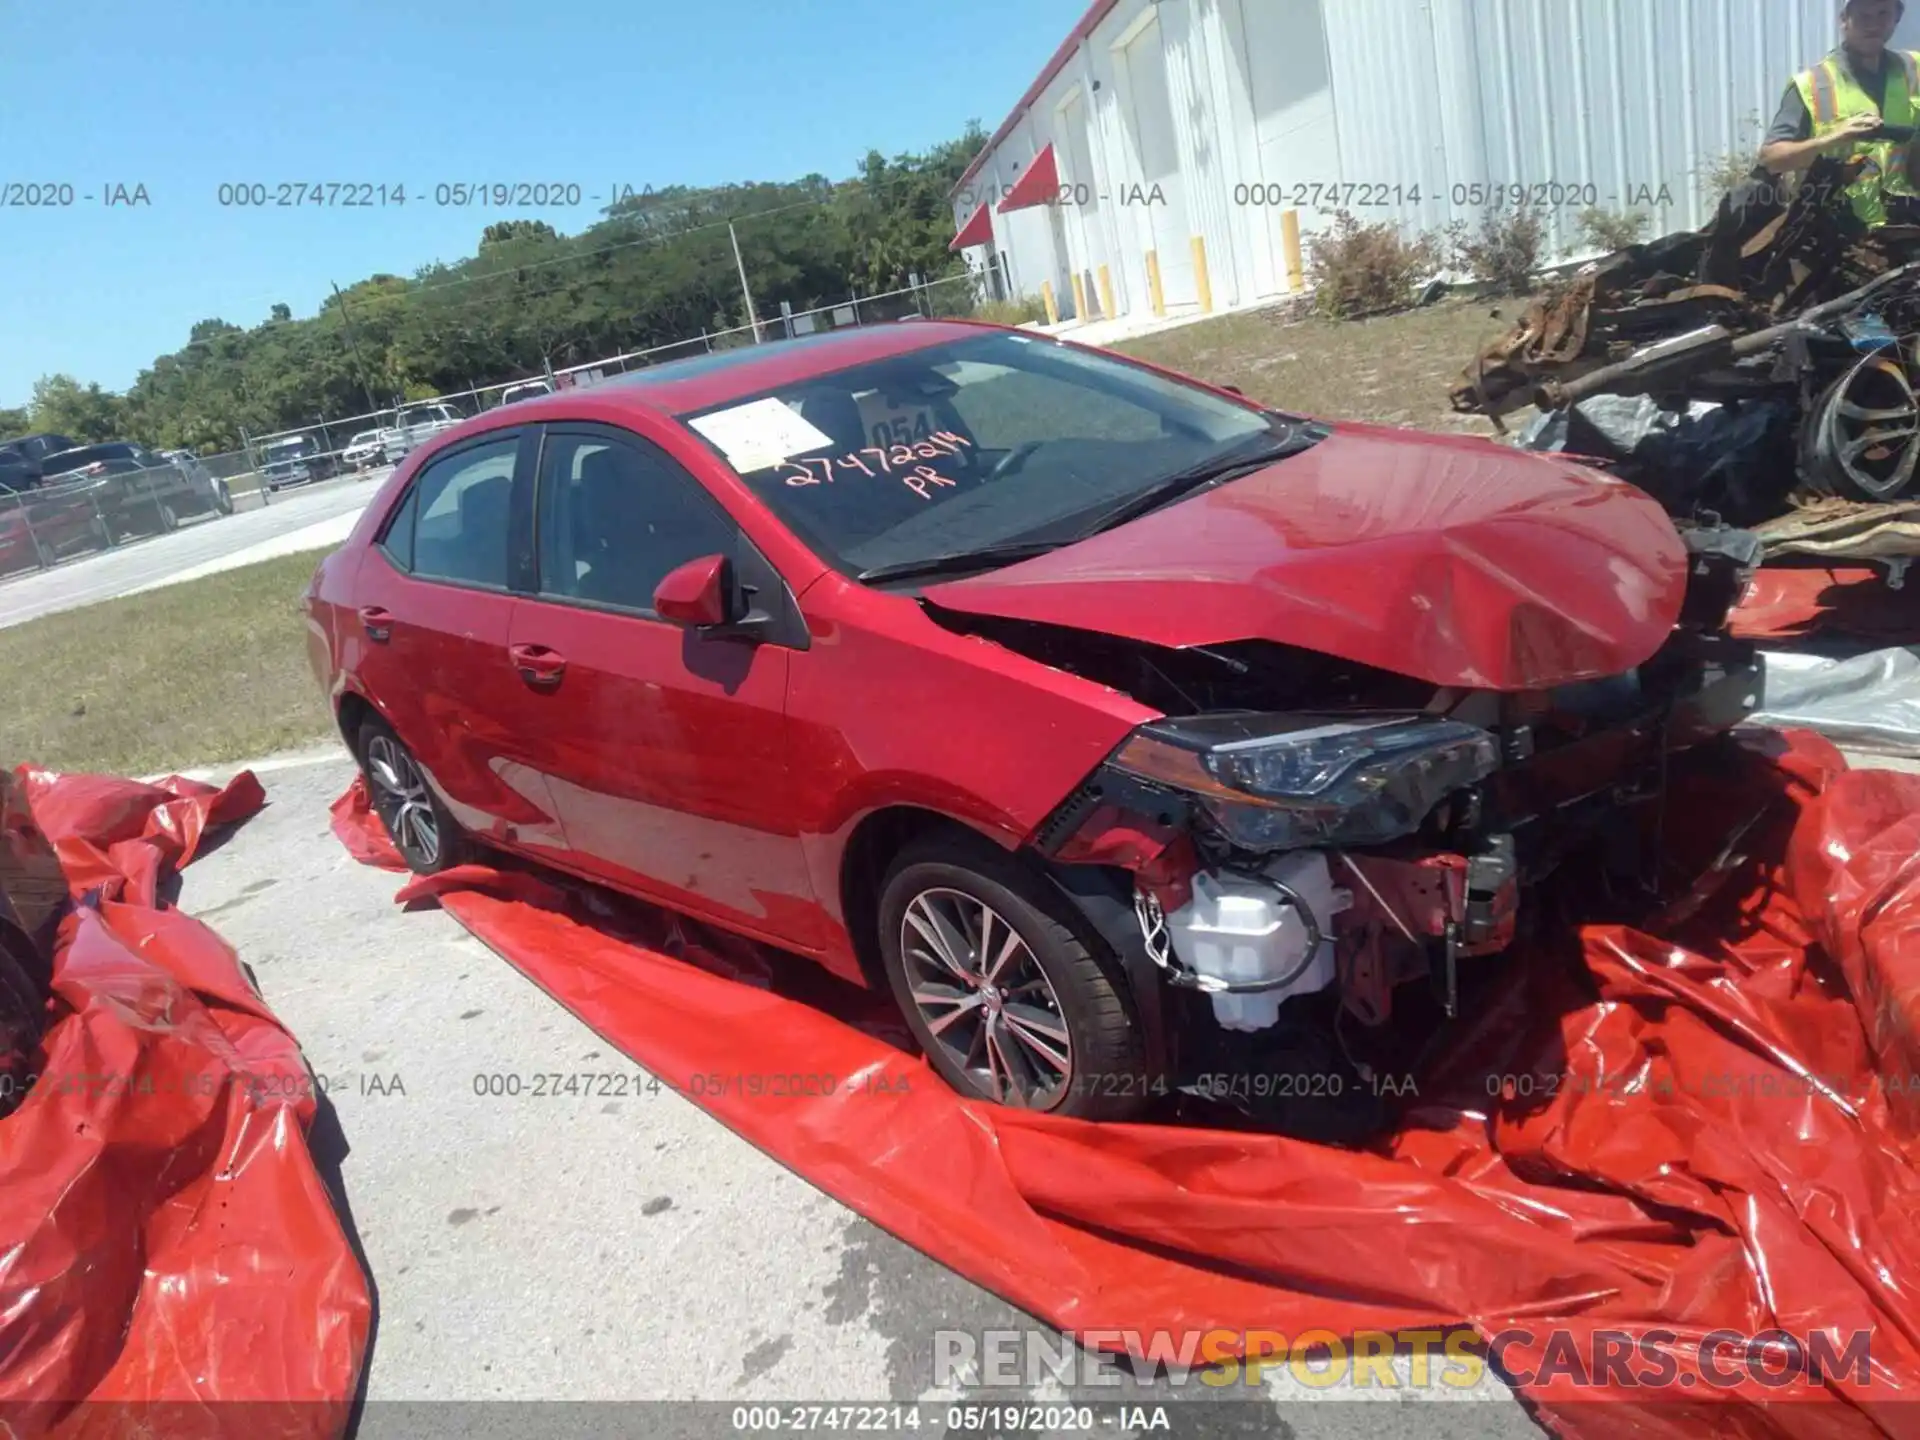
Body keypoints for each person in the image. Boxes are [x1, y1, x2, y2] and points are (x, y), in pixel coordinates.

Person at [1758, 0, 1920, 227]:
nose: (1873, 25)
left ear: (1897, 17)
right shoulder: (1813, 84)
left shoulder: (1915, 69)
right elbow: (1771, 160)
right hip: (1836, 236)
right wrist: (1835, 138)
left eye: (1883, 14)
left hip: (1905, 229)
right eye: (1863, 16)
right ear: (1844, 20)